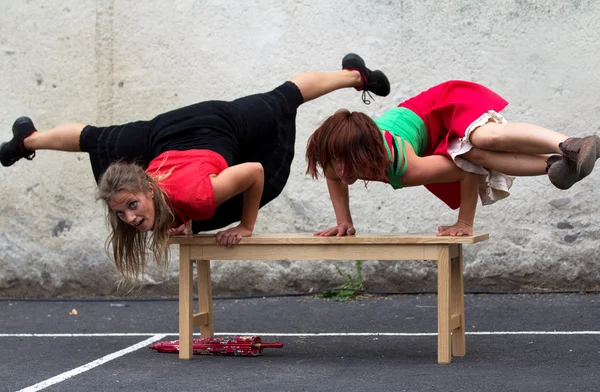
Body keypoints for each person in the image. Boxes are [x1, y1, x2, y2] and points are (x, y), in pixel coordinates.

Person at [0, 53, 391, 278]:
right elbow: (153, 198)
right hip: (162, 133)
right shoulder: (144, 188)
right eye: (123, 212)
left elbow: (254, 171)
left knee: (285, 98)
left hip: (220, 123)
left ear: (149, 187)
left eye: (131, 207)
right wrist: (184, 222)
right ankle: (28, 140)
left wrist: (246, 225)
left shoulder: (196, 194)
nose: (129, 218)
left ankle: (354, 76)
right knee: (96, 139)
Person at [305, 78, 600, 237]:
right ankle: (557, 166)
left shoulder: (406, 168)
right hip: (430, 137)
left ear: (367, 154)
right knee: (475, 152)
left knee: (483, 139)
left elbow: (465, 172)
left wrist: (464, 222)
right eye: (335, 163)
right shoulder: (335, 157)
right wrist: (343, 220)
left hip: (440, 106)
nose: (341, 171)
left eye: (348, 163)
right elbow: (334, 178)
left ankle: (569, 145)